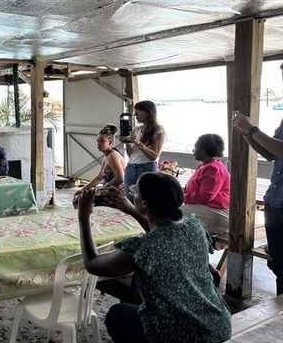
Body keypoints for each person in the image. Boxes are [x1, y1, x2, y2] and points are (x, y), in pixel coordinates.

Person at [77, 172, 231, 343]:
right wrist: (130, 208)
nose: (131, 192)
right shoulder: (194, 227)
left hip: (185, 336)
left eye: (135, 191)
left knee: (117, 314)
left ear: (144, 203)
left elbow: (93, 264)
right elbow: (161, 232)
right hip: (219, 326)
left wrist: (83, 217)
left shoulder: (144, 247)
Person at [232, 110, 283, 295]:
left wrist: (252, 130)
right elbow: (271, 153)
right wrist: (247, 133)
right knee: (279, 268)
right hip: (275, 202)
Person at [182, 134, 230, 235]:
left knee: (169, 214)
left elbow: (205, 196)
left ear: (203, 150)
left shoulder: (213, 169)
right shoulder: (204, 165)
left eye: (195, 147)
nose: (192, 150)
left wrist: (181, 198)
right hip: (207, 209)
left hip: (216, 214)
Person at [120, 101, 165, 201]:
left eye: (138, 112)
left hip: (147, 168)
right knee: (130, 201)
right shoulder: (137, 129)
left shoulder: (158, 130)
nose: (135, 115)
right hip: (131, 167)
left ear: (148, 112)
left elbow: (153, 156)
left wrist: (138, 143)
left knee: (147, 202)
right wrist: (127, 142)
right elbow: (130, 154)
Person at [74, 124, 126, 207]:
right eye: (97, 141)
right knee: (80, 197)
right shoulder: (107, 157)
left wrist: (104, 188)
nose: (98, 143)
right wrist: (83, 190)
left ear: (110, 142)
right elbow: (99, 178)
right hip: (108, 190)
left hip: (117, 193)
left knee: (80, 201)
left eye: (102, 141)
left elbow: (120, 178)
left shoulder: (113, 156)